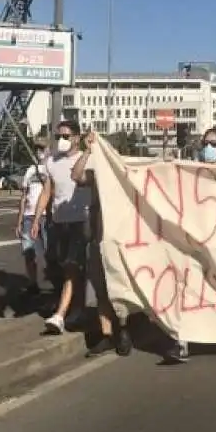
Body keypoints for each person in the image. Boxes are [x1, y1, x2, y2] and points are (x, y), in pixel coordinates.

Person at [69, 132, 133, 359]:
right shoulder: (98, 177)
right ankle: (107, 334)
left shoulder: (127, 173)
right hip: (98, 238)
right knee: (100, 288)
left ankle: (123, 327)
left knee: (119, 286)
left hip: (120, 240)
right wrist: (87, 151)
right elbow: (76, 176)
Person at [32, 120, 92, 337]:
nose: (61, 140)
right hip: (58, 222)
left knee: (71, 267)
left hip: (81, 221)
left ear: (77, 137)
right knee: (58, 265)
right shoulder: (52, 162)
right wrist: (37, 218)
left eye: (66, 136)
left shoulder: (87, 159)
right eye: (59, 136)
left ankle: (60, 314)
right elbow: (47, 192)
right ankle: (78, 308)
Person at [15, 143, 49, 295]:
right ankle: (33, 283)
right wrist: (19, 221)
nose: (39, 152)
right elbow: (24, 197)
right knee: (28, 252)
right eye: (37, 149)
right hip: (29, 216)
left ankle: (57, 283)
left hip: (47, 216)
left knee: (50, 253)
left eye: (43, 148)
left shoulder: (52, 168)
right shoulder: (30, 171)